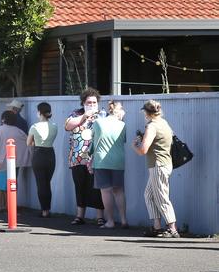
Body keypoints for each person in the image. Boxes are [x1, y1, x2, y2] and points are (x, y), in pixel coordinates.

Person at [131, 100, 179, 238]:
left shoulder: (152, 126)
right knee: (149, 195)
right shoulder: (164, 123)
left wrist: (134, 145)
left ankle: (172, 229)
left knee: (162, 197)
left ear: (146, 113)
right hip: (164, 163)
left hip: (158, 165)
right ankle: (157, 227)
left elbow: (143, 150)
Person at [65, 87, 105, 226]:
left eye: (94, 102)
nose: (92, 105)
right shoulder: (76, 114)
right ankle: (80, 216)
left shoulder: (102, 115)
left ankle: (100, 217)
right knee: (80, 187)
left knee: (97, 188)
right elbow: (68, 126)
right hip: (77, 158)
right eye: (89, 102)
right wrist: (84, 117)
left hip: (96, 159)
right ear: (83, 103)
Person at [92, 100, 128, 229]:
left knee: (106, 191)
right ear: (119, 111)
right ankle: (124, 220)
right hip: (118, 160)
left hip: (101, 160)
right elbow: (122, 141)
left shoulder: (98, 123)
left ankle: (110, 221)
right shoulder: (122, 125)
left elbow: (93, 142)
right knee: (119, 190)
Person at [0, 111, 30, 212]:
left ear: (3, 119)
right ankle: (10, 206)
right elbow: (27, 144)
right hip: (15, 163)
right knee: (12, 185)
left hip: (0, 162)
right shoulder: (19, 131)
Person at [27, 102, 58, 218]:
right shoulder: (54, 126)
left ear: (39, 112)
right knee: (47, 183)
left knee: (41, 184)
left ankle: (44, 210)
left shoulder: (34, 127)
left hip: (38, 154)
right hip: (50, 154)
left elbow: (28, 143)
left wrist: (36, 141)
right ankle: (48, 209)